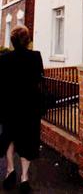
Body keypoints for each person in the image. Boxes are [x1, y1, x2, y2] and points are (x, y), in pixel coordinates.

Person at [0, 25, 44, 193]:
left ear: (12, 41)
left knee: (10, 138)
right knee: (28, 141)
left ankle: (10, 171)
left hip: (10, 106)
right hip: (29, 107)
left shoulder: (4, 58)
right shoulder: (35, 57)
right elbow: (38, 79)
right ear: (27, 40)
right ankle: (24, 178)